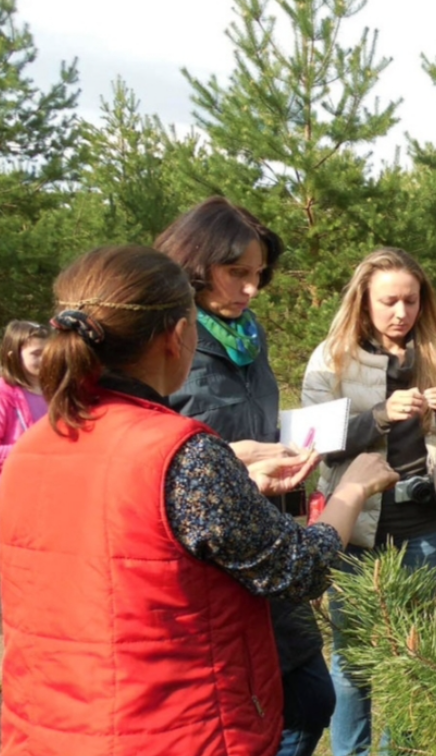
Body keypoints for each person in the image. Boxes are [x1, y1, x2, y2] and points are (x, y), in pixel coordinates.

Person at [0, 245, 398, 756]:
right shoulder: (183, 455)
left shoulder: (37, 443)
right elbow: (299, 570)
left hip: (48, 728)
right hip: (173, 731)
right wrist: (353, 489)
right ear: (179, 335)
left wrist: (242, 487)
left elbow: (123, 530)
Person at [156, 197, 334, 756]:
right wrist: (235, 461)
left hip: (268, 545)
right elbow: (159, 459)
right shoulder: (167, 348)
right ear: (194, 263)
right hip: (212, 569)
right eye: (237, 273)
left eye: (258, 275)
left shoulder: (247, 340)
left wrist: (289, 454)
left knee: (308, 698)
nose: (251, 288)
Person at [300, 247, 436, 756]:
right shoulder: (331, 357)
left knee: (412, 656)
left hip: (421, 526)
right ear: (364, 301)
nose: (402, 313)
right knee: (353, 662)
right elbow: (315, 445)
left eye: (412, 301)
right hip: (354, 526)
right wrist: (379, 414)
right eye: (389, 302)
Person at [0, 320, 48, 475]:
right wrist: (30, 451)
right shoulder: (4, 394)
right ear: (13, 357)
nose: (45, 359)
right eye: (36, 354)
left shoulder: (56, 390)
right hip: (14, 482)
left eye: (48, 352)